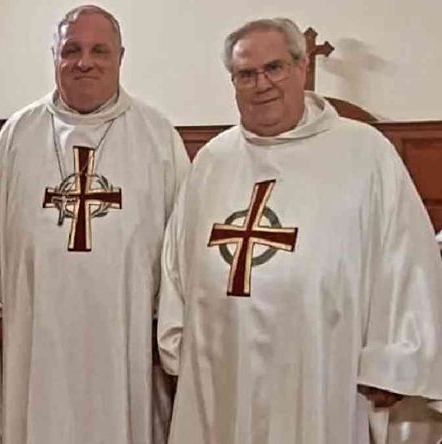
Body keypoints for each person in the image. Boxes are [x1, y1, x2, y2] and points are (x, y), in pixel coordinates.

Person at [157, 17, 442, 444]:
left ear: (300, 68)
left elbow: (406, 259)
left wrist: (394, 360)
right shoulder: (213, 160)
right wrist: (176, 343)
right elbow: (176, 262)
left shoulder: (364, 153)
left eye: (274, 68)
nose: (261, 84)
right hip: (220, 371)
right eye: (245, 74)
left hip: (323, 366)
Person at [0, 5, 190, 444]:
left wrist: (160, 330)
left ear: (120, 58)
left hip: (127, 348)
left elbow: (181, 256)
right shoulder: (17, 135)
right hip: (37, 347)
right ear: (54, 55)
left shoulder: (157, 137)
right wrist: (5, 326)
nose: (84, 62)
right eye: (71, 50)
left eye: (98, 51)